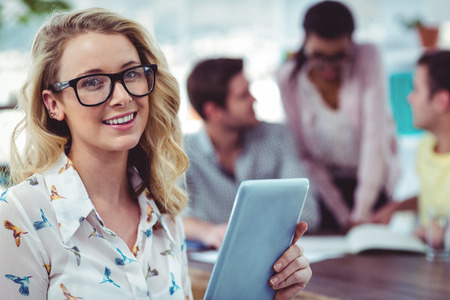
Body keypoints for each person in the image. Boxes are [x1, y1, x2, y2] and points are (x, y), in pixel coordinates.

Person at [0, 8, 311, 299]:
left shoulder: (163, 212)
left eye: (132, 74)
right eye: (92, 82)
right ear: (53, 104)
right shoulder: (18, 217)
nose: (122, 97)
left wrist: (267, 292)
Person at [276, 0, 400, 232]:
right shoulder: (288, 78)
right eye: (319, 55)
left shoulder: (368, 57)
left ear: (351, 42)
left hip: (373, 183)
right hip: (326, 187)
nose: (328, 67)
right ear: (304, 41)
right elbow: (306, 155)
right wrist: (343, 214)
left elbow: (374, 139)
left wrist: (361, 211)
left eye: (339, 56)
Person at [182, 58, 320, 249]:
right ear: (213, 111)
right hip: (208, 261)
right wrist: (210, 232)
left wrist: (249, 232)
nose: (253, 99)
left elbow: (308, 211)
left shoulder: (277, 137)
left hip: (274, 254)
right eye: (243, 95)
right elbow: (170, 216)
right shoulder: (182, 153)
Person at [372, 50, 450, 241]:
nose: (410, 98)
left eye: (416, 89)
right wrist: (396, 207)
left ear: (441, 101)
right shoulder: (425, 147)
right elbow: (434, 200)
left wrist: (444, 236)